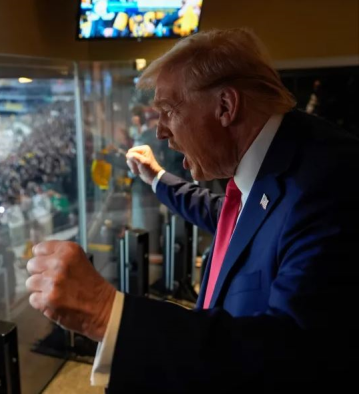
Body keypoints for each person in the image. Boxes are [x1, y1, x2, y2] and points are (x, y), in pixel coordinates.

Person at [25, 28, 359, 392]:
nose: (160, 131)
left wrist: (107, 313)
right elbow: (232, 218)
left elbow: (292, 355)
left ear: (226, 107)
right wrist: (157, 179)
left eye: (169, 109)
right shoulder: (279, 158)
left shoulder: (329, 184)